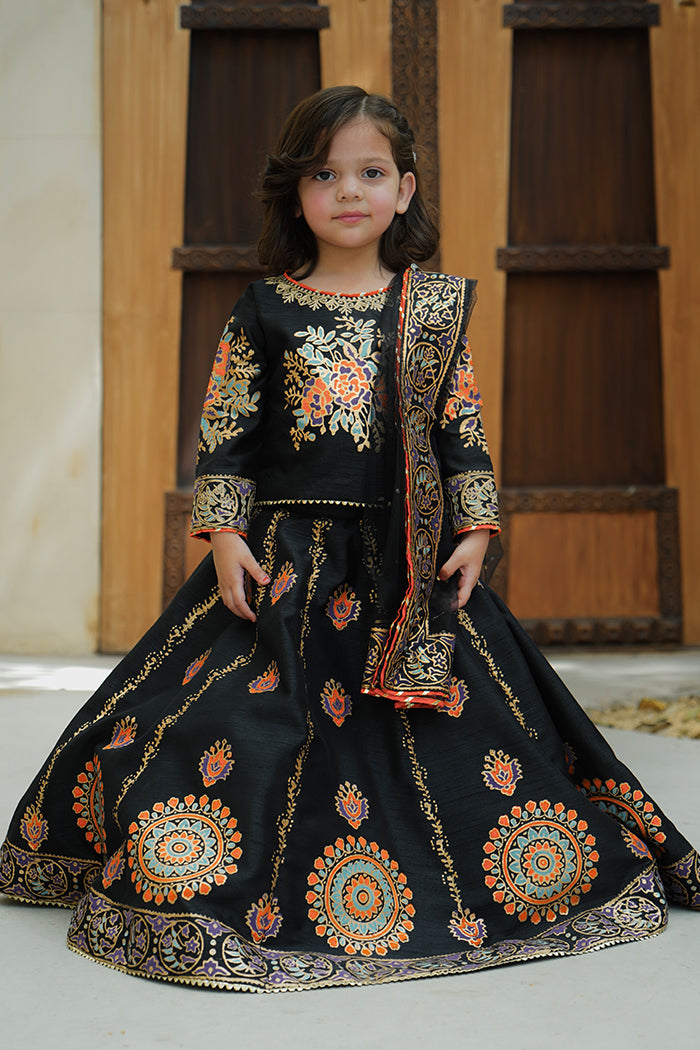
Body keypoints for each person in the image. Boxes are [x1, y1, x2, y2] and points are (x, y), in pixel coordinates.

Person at [1, 86, 697, 993]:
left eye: (370, 173)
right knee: (209, 729)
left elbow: (460, 428)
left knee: (484, 748)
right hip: (285, 566)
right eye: (325, 175)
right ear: (296, 196)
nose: (349, 192)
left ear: (403, 191)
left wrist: (477, 526)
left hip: (407, 567)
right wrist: (224, 534)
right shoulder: (265, 308)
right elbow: (227, 432)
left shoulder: (431, 311)